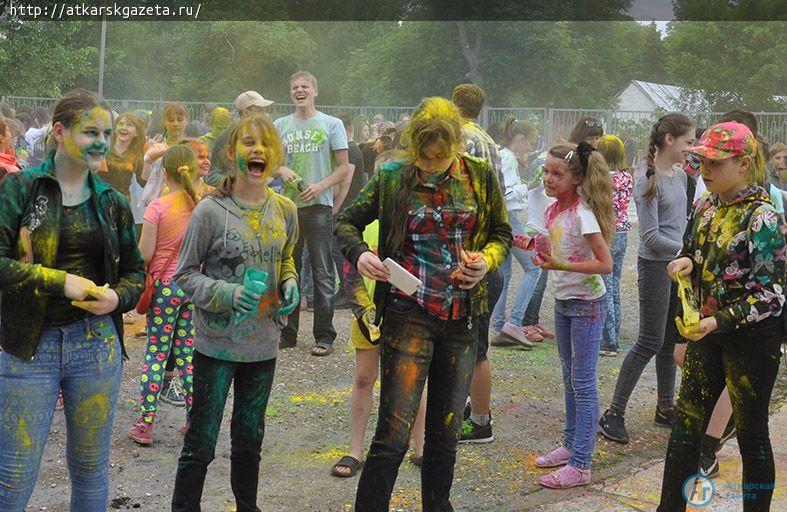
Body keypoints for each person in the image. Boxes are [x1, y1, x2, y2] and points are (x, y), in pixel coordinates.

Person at [336, 96, 511, 511]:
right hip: (407, 314)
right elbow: (344, 220)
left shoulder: (479, 176)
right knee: (393, 432)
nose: (433, 166)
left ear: (454, 143)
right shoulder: (393, 176)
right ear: (415, 145)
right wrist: (360, 252)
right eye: (426, 156)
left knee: (445, 432)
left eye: (441, 156)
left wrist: (484, 262)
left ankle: (437, 505)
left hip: (462, 319)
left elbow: (501, 234)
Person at [0, 89, 144, 511]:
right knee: (14, 473)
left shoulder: (112, 202)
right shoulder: (20, 189)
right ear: (60, 132)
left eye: (107, 132)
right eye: (90, 132)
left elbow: (137, 272)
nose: (102, 141)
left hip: (96, 347)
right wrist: (59, 281)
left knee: (90, 468)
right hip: (29, 347)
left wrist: (117, 298)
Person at [171, 114, 299, 511]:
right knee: (201, 442)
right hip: (216, 347)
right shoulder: (211, 211)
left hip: (263, 346)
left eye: (265, 144)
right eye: (248, 143)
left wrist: (291, 283)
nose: (257, 150)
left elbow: (287, 258)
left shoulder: (285, 210)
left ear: (276, 156)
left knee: (249, 439)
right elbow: (185, 275)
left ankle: (248, 506)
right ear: (232, 152)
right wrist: (228, 293)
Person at [658, 122, 785, 511]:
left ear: (744, 163)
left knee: (751, 435)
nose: (705, 169)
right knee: (684, 429)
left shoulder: (762, 217)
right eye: (701, 161)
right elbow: (693, 252)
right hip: (707, 335)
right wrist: (684, 262)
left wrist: (719, 321)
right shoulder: (705, 205)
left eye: (715, 162)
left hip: (752, 342)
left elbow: (772, 295)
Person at [599, 113, 695, 444]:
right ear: (669, 139)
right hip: (656, 266)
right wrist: (687, 252)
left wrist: (686, 255)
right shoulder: (647, 180)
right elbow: (651, 238)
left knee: (670, 341)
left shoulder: (681, 177)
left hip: (677, 267)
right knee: (649, 342)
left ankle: (665, 407)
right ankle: (613, 413)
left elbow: (680, 223)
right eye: (688, 142)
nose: (691, 149)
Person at [534, 142, 615, 489]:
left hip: (587, 307)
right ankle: (570, 445)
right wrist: (533, 245)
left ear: (577, 178)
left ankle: (582, 463)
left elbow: (606, 264)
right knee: (569, 380)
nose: (549, 179)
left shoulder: (584, 214)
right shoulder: (553, 211)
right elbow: (557, 249)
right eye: (546, 171)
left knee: (583, 384)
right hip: (564, 302)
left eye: (557, 173)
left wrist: (561, 263)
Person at [274, 71, 350, 356]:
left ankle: (324, 335)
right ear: (290, 93)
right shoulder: (279, 125)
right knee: (288, 267)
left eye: (305, 86)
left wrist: (320, 187)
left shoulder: (332, 124)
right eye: (295, 87)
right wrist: (283, 170)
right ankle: (287, 333)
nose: (300, 90)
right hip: (288, 208)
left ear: (315, 91)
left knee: (322, 271)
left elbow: (343, 167)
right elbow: (271, 163)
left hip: (319, 206)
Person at [128, 145, 199, 445]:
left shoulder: (157, 207)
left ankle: (145, 425)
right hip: (193, 287)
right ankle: (194, 421)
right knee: (187, 354)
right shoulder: (201, 205)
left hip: (165, 289)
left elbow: (144, 252)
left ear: (165, 173)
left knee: (157, 354)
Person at [451, 83, 505, 444]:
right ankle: (471, 408)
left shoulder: (459, 139)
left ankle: (481, 421)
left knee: (475, 346)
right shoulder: (488, 141)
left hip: (473, 254)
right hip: (486, 250)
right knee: (471, 343)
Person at [490, 117, 543, 349]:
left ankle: (499, 325)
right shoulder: (509, 158)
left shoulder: (501, 154)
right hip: (510, 220)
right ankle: (514, 322)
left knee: (506, 273)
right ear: (519, 139)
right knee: (534, 268)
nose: (530, 149)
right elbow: (508, 193)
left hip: (501, 219)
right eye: (530, 144)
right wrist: (529, 185)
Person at [596, 135, 634, 357]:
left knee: (605, 287)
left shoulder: (602, 178)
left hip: (606, 233)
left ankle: (607, 341)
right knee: (616, 286)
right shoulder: (626, 177)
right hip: (622, 233)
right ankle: (614, 335)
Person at [205, 91, 273, 187]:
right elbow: (211, 176)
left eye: (264, 110)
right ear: (245, 112)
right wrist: (237, 184)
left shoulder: (263, 135)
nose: (265, 114)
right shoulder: (228, 137)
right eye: (260, 110)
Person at [139, 102, 190, 208]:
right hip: (159, 205)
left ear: (187, 120)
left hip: (186, 203)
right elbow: (144, 179)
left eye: (180, 119)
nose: (175, 124)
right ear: (164, 122)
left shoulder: (194, 148)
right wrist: (148, 158)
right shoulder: (157, 147)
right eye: (171, 120)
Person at [101, 112, 146, 200]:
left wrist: (149, 161)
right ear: (115, 129)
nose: (123, 127)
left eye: (129, 125)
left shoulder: (136, 155)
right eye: (121, 124)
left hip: (121, 202)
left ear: (136, 133)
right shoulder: (103, 147)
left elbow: (143, 182)